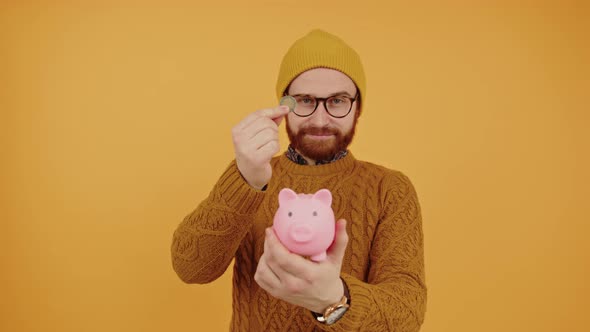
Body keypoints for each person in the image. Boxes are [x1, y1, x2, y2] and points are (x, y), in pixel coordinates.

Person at [171, 29, 427, 331]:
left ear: (358, 107)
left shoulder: (390, 189)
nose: (320, 119)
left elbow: (408, 313)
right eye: (305, 100)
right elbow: (191, 267)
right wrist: (245, 180)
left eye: (338, 100)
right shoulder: (254, 176)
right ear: (283, 105)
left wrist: (333, 299)